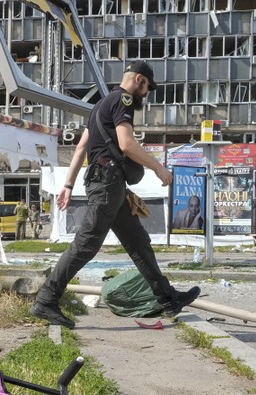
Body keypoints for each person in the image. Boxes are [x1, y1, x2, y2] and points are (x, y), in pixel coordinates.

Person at [30, 61, 200, 328]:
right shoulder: (124, 100)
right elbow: (126, 143)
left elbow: (81, 148)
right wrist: (158, 168)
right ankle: (46, 300)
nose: (146, 94)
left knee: (138, 242)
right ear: (140, 80)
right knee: (86, 244)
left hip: (109, 183)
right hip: (108, 182)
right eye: (147, 88)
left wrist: (68, 185)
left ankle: (167, 299)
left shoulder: (100, 104)